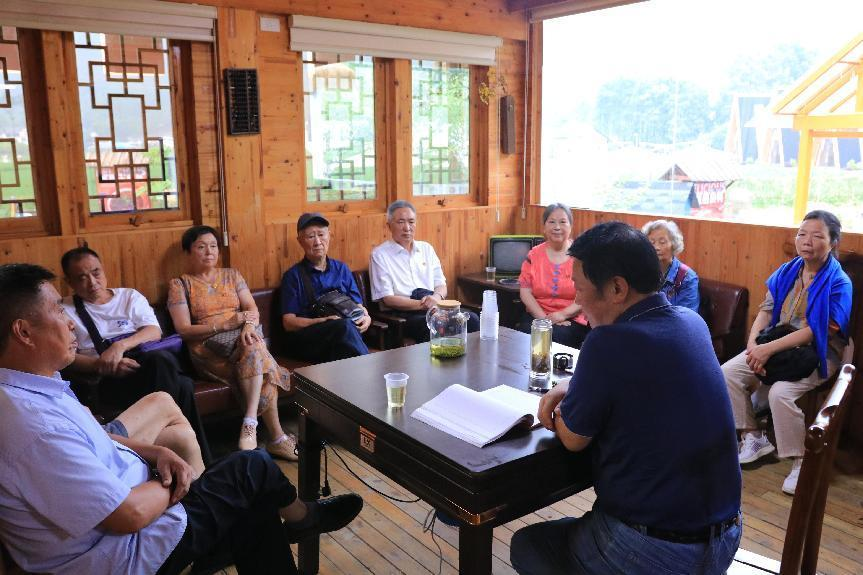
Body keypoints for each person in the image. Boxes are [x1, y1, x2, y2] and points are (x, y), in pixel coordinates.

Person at [0, 263, 363, 575]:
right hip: (124, 553)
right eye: (58, 311)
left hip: (129, 517)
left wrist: (156, 453)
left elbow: (94, 436)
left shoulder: (35, 388)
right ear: (24, 332)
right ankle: (302, 518)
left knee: (251, 497)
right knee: (251, 469)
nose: (70, 324)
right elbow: (128, 515)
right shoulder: (33, 426)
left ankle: (297, 519)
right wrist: (176, 478)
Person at [510, 221, 742, 575]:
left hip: (656, 549)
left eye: (581, 289)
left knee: (529, 545)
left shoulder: (608, 342)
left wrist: (558, 399)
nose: (577, 301)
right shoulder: (690, 323)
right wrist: (574, 386)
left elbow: (572, 437)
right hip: (725, 537)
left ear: (617, 288)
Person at [724, 210, 852, 495]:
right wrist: (753, 345)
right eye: (802, 234)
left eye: (817, 236)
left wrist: (765, 350)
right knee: (727, 373)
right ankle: (753, 436)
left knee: (779, 394)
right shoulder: (787, 271)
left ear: (833, 242)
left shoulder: (839, 283)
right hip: (776, 343)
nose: (807, 241)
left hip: (819, 352)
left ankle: (801, 461)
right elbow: (766, 310)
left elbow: (816, 332)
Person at [60, 246, 211, 464]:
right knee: (181, 384)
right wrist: (101, 364)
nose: (92, 282)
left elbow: (153, 331)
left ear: (103, 270)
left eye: (96, 273)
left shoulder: (128, 296)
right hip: (106, 380)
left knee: (165, 367)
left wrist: (119, 346)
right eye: (82, 278)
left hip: (146, 367)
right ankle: (199, 461)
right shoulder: (65, 310)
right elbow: (67, 357)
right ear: (69, 282)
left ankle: (182, 460)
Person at [167, 226, 295, 459]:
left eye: (213, 246)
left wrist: (247, 327)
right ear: (188, 252)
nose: (209, 252)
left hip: (243, 340)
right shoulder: (180, 285)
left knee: (254, 349)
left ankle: (250, 422)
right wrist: (224, 326)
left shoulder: (232, 275)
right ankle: (277, 438)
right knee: (262, 362)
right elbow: (184, 330)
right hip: (209, 351)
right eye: (201, 247)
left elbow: (252, 309)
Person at [370, 200, 479, 343]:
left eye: (411, 222)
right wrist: (425, 305)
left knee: (471, 319)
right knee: (433, 325)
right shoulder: (380, 254)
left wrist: (436, 298)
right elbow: (388, 299)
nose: (407, 228)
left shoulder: (426, 249)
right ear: (389, 225)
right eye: (401, 222)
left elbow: (441, 285)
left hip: (435, 307)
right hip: (405, 314)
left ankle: (466, 358)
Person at [280, 212, 372, 362]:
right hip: (311, 339)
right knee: (343, 326)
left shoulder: (341, 269)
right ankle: (369, 366)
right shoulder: (293, 276)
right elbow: (288, 323)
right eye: (311, 236)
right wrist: (324, 321)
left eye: (321, 235)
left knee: (344, 344)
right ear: (300, 241)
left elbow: (358, 305)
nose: (317, 242)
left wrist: (366, 317)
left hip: (342, 336)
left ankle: (362, 370)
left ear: (329, 235)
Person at [516, 203, 590, 348]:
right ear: (544, 227)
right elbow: (525, 292)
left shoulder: (581, 256)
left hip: (572, 317)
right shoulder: (533, 255)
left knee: (557, 337)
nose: (557, 227)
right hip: (538, 315)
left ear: (570, 226)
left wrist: (562, 315)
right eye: (551, 222)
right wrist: (544, 320)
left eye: (562, 222)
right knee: (523, 334)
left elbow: (587, 294)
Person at [642, 219, 700, 312]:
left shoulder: (687, 277)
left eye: (662, 242)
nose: (656, 247)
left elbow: (688, 315)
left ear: (674, 244)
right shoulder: (641, 271)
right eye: (652, 242)